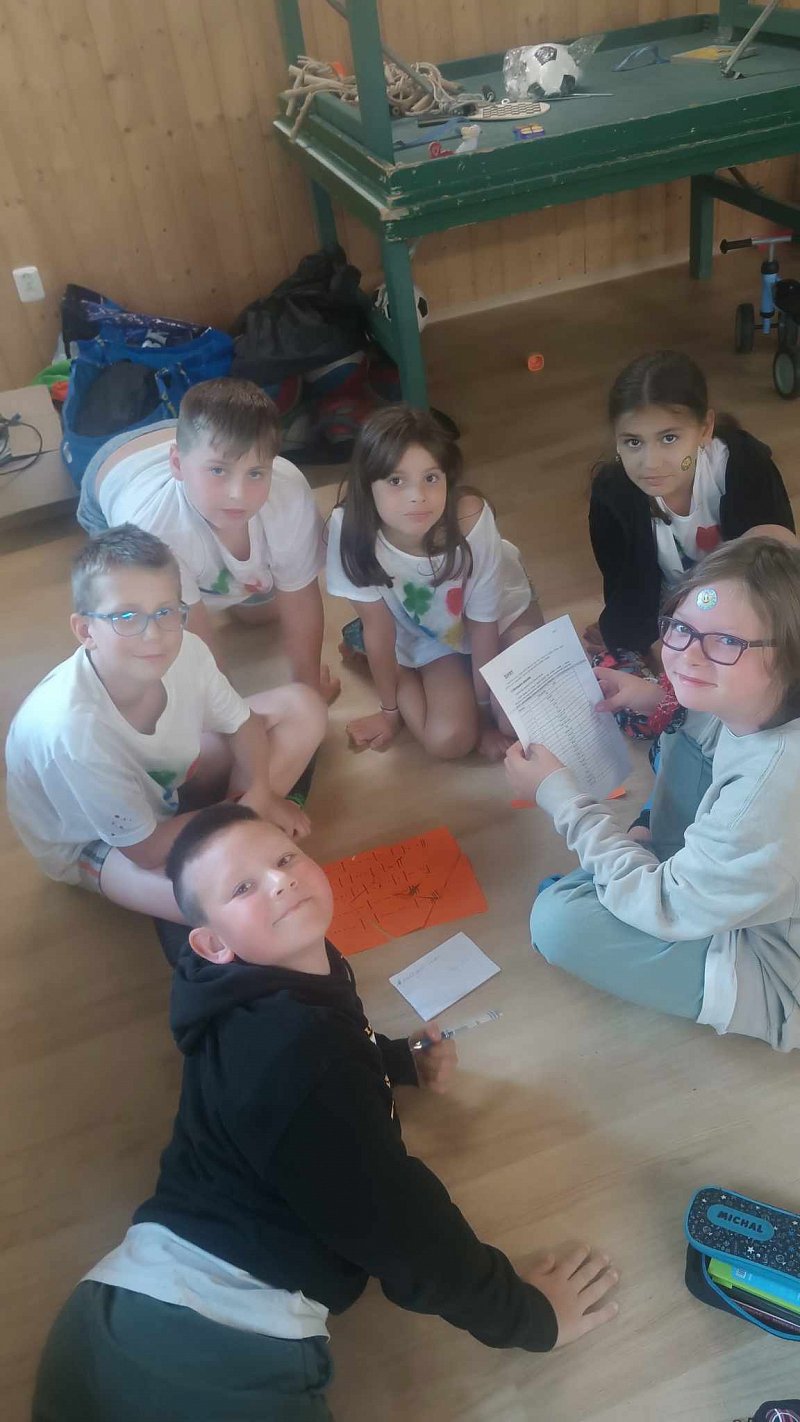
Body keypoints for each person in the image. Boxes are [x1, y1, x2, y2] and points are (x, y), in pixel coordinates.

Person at [32, 805, 619, 1422]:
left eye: (284, 858)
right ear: (213, 943)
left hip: (114, 1310)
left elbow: (324, 1056)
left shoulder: (261, 981)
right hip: (201, 1355)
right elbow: (406, 1232)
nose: (279, 880)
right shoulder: (300, 1060)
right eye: (243, 887)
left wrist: (394, 1061)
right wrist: (528, 1318)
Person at [507, 536, 800, 1052]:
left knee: (558, 923)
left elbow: (666, 906)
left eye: (726, 641)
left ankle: (639, 861)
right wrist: (660, 699)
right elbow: (712, 733)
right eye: (681, 628)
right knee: (685, 731)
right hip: (743, 886)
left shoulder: (771, 789)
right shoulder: (765, 707)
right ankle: (643, 856)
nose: (687, 656)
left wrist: (562, 800)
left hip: (778, 970)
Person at [5, 526, 327, 923]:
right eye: (126, 616)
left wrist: (258, 790)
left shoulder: (187, 650)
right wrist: (245, 811)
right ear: (86, 631)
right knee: (218, 906)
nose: (153, 634)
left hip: (166, 786)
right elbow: (143, 850)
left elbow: (242, 724)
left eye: (166, 611)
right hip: (99, 842)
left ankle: (233, 834)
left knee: (305, 708)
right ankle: (239, 835)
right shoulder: (73, 731)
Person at [76, 376, 339, 702]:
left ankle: (221, 583)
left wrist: (308, 687)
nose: (237, 494)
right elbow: (192, 631)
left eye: (256, 473)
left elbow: (300, 597)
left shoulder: (288, 491)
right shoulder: (152, 528)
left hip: (207, 440)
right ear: (177, 464)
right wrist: (231, 712)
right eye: (218, 472)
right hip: (117, 467)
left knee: (256, 612)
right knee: (145, 630)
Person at [326, 404, 543, 761]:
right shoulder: (349, 528)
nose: (417, 496)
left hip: (501, 613)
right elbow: (379, 628)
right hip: (428, 630)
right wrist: (389, 712)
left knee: (517, 723)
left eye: (431, 478)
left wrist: (484, 715)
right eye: (396, 481)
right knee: (448, 740)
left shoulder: (470, 517)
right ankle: (394, 665)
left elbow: (483, 621)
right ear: (367, 485)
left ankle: (474, 693)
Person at [586, 351, 794, 664]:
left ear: (705, 428)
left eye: (669, 438)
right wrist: (665, 653)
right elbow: (625, 594)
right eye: (633, 442)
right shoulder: (612, 496)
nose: (650, 463)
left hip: (748, 613)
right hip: (666, 623)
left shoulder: (744, 465)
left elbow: (777, 568)